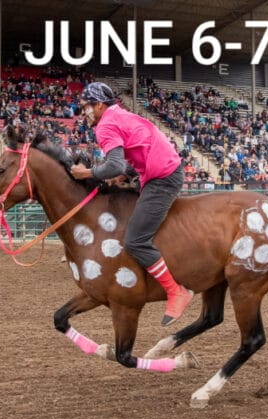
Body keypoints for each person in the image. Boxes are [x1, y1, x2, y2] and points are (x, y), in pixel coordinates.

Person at [70, 82, 193, 326]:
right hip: (160, 168)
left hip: (162, 177)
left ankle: (175, 291)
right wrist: (125, 172)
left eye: (87, 107)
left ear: (100, 105)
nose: (84, 112)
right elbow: (128, 158)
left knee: (135, 240)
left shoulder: (105, 125)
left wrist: (86, 174)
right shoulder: (118, 114)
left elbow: (113, 165)